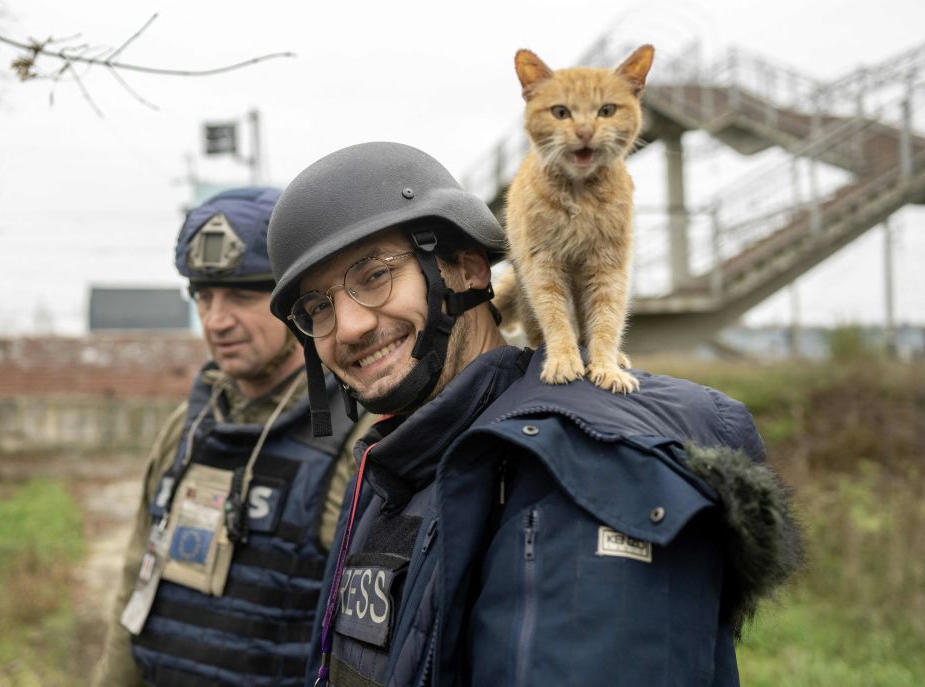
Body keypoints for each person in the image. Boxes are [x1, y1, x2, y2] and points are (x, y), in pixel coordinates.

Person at [265, 142, 802, 687]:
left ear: (470, 269)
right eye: (318, 308)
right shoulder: (399, 467)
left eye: (375, 275)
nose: (350, 325)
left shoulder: (580, 473)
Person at [93, 187, 373, 687]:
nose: (216, 320)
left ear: (298, 304)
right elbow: (136, 584)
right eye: (203, 296)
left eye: (243, 296)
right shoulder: (189, 426)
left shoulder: (362, 438)